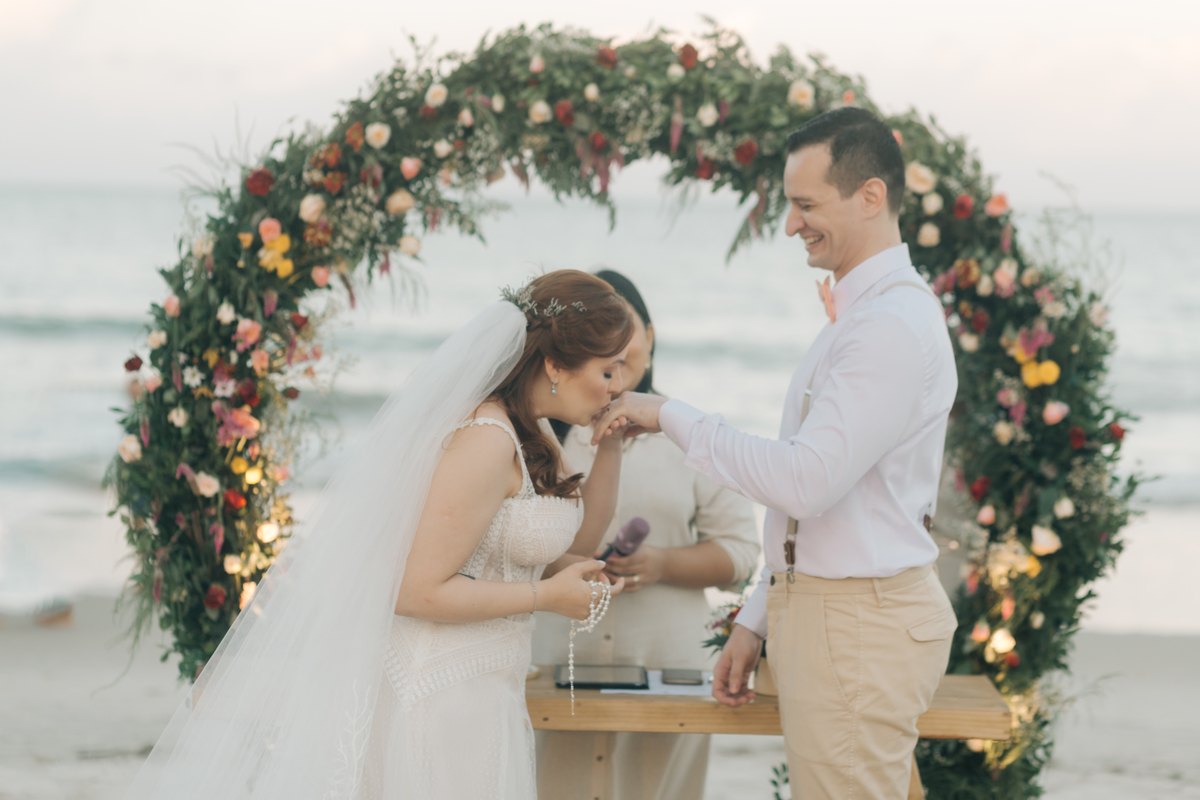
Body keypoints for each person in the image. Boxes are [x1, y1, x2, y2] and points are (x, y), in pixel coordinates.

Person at [126, 271, 634, 800]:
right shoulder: (488, 438)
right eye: (609, 368)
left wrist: (612, 449)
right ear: (555, 364)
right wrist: (547, 597)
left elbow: (550, 542)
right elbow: (417, 590)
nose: (619, 383)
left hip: (486, 687)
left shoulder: (537, 431)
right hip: (440, 694)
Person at [593, 108, 959, 799]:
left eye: (805, 205)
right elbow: (824, 509)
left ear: (871, 196)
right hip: (836, 615)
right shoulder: (863, 318)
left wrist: (668, 414)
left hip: (855, 625)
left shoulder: (886, 328)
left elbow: (806, 482)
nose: (791, 224)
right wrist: (756, 619)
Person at [533, 270, 760, 800]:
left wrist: (661, 564)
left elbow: (744, 553)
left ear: (651, 337)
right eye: (595, 338)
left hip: (670, 668)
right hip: (554, 667)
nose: (612, 351)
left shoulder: (693, 434)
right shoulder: (542, 435)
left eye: (625, 333)